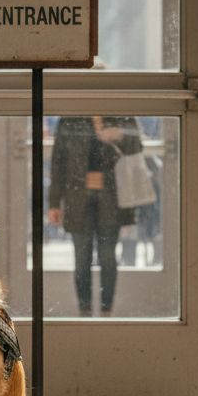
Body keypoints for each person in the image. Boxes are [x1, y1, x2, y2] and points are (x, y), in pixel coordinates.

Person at [48, 116, 142, 316]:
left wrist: (119, 135)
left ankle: (107, 311)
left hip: (113, 197)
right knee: (81, 258)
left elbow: (137, 148)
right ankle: (85, 311)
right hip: (77, 198)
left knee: (108, 256)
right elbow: (58, 163)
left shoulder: (121, 116)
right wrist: (54, 203)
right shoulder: (69, 120)